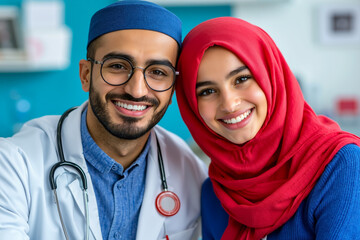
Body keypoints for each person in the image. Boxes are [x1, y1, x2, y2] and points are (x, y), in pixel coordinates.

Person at [0, 1, 207, 240]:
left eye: (158, 72)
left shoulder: (191, 171)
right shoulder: (15, 164)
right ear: (86, 75)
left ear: (172, 90)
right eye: (117, 66)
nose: (137, 90)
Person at [176, 17, 360, 240]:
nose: (229, 104)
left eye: (241, 79)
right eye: (207, 91)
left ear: (270, 76)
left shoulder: (341, 164)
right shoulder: (214, 194)